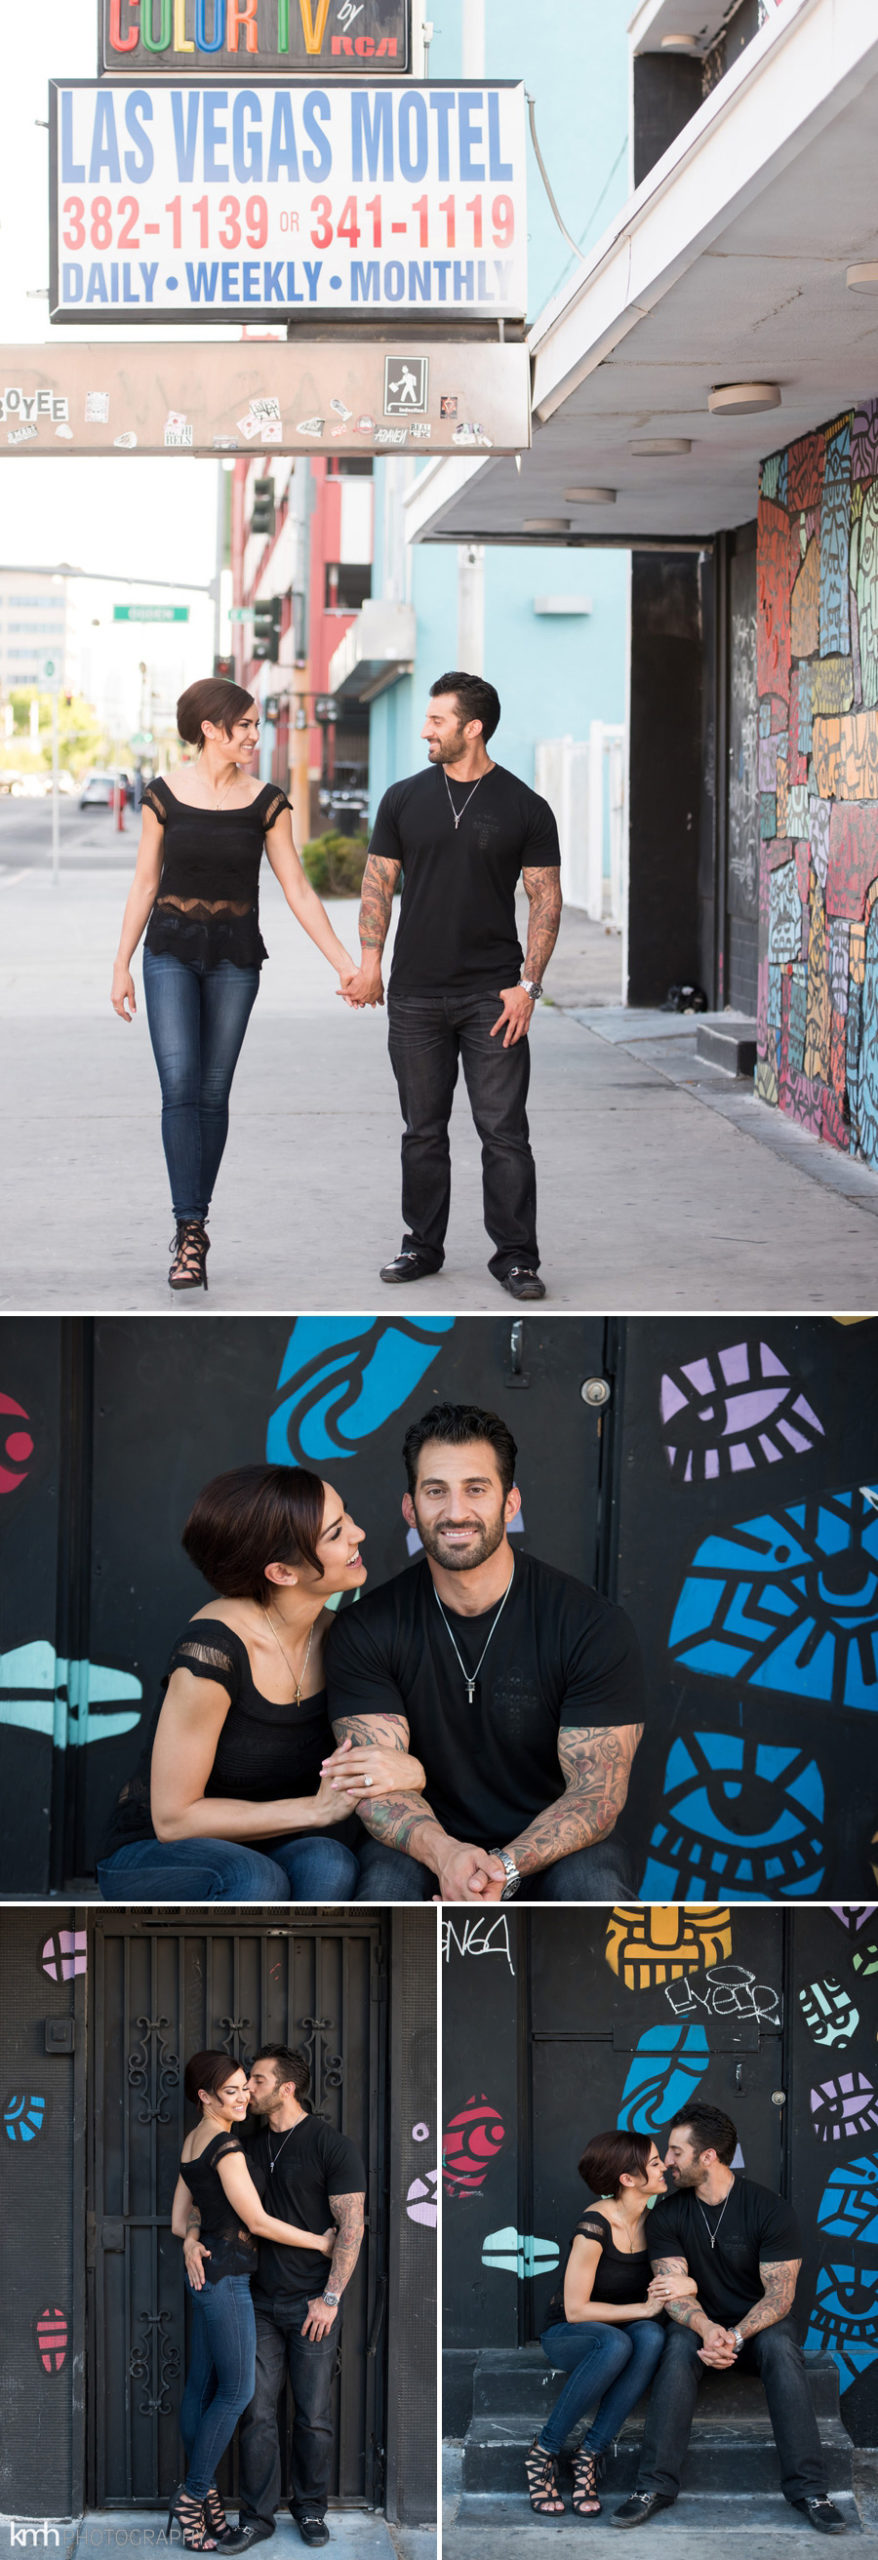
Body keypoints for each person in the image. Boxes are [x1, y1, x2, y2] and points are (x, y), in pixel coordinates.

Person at [322, 1402, 645, 1903]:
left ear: (509, 1504)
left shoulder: (589, 1625)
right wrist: (447, 1855)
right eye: (435, 1491)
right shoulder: (367, 1628)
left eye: (476, 1489)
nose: (455, 1512)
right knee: (385, 1889)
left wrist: (502, 1869)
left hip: (552, 1846)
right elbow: (376, 1787)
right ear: (410, 1508)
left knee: (594, 1888)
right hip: (424, 1843)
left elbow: (595, 1795)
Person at [110, 677, 361, 1291]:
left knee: (214, 1091)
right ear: (210, 729)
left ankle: (196, 1224)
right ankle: (188, 1230)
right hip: (168, 950)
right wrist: (119, 964)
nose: (255, 735)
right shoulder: (163, 796)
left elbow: (297, 888)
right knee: (179, 1088)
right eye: (244, 725)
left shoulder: (266, 802)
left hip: (234, 958)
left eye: (255, 725)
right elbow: (145, 882)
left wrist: (343, 964)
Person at [96, 1463, 426, 1904]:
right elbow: (174, 1819)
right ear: (282, 1573)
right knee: (254, 1879)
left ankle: (299, 1975)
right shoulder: (214, 1650)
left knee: (331, 1863)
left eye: (345, 1516)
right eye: (334, 1533)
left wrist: (412, 1769)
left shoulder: (344, 1637)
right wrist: (314, 1809)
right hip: (157, 1851)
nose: (358, 1534)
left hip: (267, 1843)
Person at [345, 670, 562, 1302]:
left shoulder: (524, 806)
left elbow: (545, 900)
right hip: (414, 995)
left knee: (503, 1131)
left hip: (493, 998)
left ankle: (517, 1258)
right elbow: (377, 883)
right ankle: (422, 1245)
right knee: (422, 1129)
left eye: (437, 720)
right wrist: (369, 963)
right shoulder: (404, 798)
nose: (425, 730)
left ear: (473, 727)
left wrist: (529, 986)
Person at [611, 2105, 847, 2536]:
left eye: (676, 2152)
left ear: (708, 2157)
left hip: (757, 2327)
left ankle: (811, 2491)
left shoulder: (769, 2209)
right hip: (699, 2327)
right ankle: (653, 2487)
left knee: (780, 2345)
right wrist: (707, 2330)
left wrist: (735, 2335)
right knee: (677, 2345)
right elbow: (670, 2288)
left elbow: (780, 2296)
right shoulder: (667, 2214)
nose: (668, 2161)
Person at [183, 2044, 366, 2552]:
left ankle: (309, 2510)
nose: (248, 2090)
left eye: (257, 2081)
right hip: (255, 2299)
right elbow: (214, 2204)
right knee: (256, 2413)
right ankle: (258, 2518)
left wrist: (330, 2298)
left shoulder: (332, 2145)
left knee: (312, 2415)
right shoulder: (244, 2142)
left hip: (312, 2301)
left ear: (286, 2087)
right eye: (241, 2084)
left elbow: (351, 2227)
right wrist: (192, 2237)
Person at [528, 2131, 697, 2518]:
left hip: (621, 2331)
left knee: (652, 2337)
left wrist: (688, 2282)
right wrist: (643, 2307)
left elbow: (689, 2274)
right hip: (571, 2335)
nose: (664, 2167)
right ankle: (544, 2452)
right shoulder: (594, 2226)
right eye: (654, 2162)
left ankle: (589, 2454)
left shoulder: (657, 2222)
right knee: (618, 2342)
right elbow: (575, 2310)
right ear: (628, 2178)